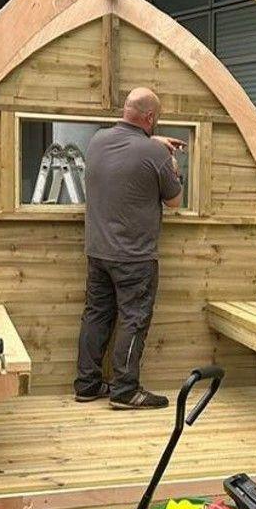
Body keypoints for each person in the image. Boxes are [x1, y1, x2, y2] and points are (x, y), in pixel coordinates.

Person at [74, 87, 184, 410]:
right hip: (134, 257)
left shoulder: (96, 141)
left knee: (96, 316)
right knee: (134, 320)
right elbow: (174, 202)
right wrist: (171, 164)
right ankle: (125, 389)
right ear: (150, 118)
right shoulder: (156, 155)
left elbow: (127, 143)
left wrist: (153, 141)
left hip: (98, 251)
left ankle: (87, 385)